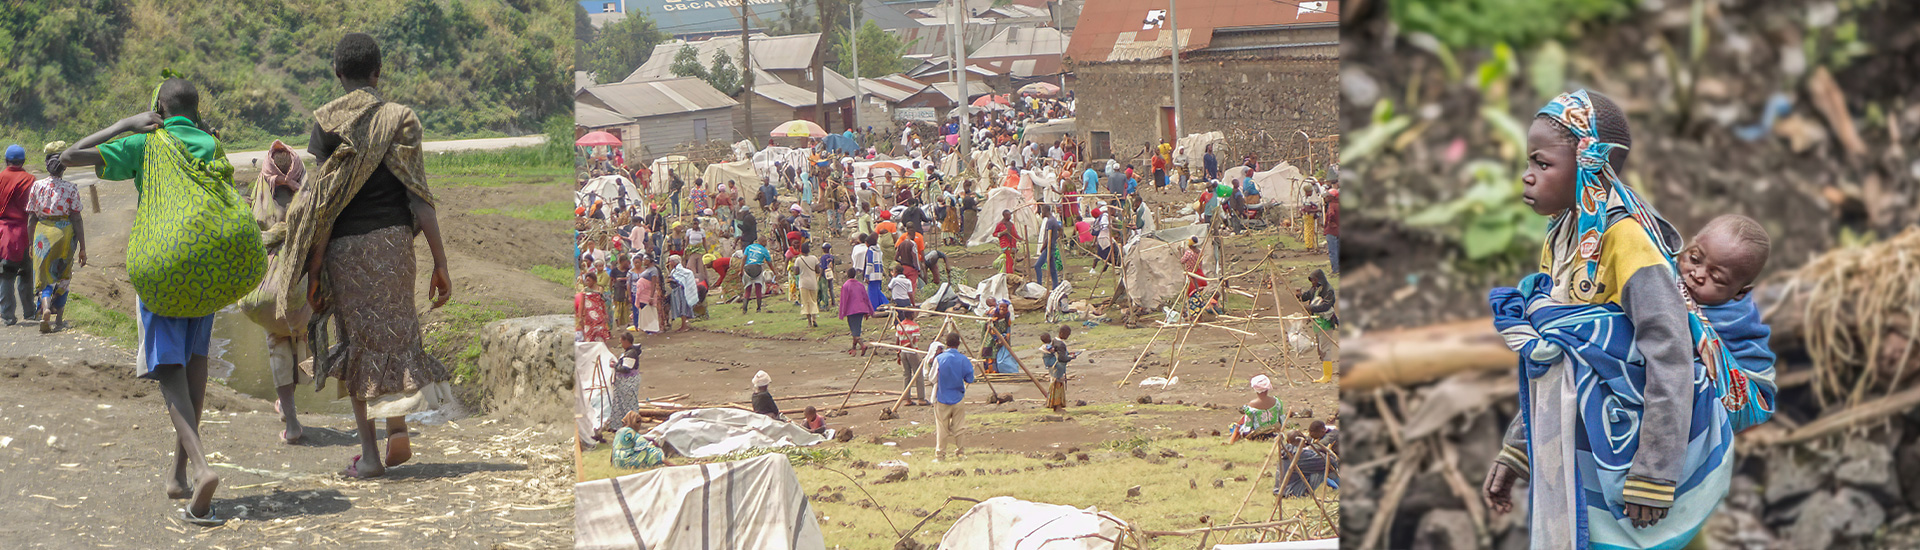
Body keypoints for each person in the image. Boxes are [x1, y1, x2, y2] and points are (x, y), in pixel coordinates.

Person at [1482, 90, 1774, 549]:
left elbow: (1671, 353)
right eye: (1529, 162)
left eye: (1542, 163)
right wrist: (1518, 450)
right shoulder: (1564, 235)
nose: (1527, 174)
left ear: (1587, 163)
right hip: (1587, 453)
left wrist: (1655, 473)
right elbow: (1557, 357)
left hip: (1637, 457)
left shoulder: (1625, 239)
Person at [61, 77, 270, 525]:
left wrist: (125, 124)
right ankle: (177, 476)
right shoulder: (210, 142)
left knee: (167, 368)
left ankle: (200, 467)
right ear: (194, 110)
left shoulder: (145, 142)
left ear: (156, 107)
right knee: (195, 362)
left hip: (167, 261)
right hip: (214, 261)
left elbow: (70, 156)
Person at [240, 142, 308, 443]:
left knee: (277, 342)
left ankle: (291, 421)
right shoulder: (307, 194)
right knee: (298, 339)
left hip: (265, 291)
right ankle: (290, 402)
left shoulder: (260, 193)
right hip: (300, 291)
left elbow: (245, 233)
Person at [27, 145, 85, 332]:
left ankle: (44, 308)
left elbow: (31, 218)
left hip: (42, 233)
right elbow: (76, 217)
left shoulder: (37, 185)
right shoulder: (71, 188)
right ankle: (59, 319)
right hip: (65, 234)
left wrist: (30, 242)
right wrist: (83, 246)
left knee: (43, 275)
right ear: (64, 168)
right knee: (63, 274)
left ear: (47, 165)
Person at [0, 144, 35, 325]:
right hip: (25, 232)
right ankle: (30, 312)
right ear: (23, 161)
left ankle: (7, 316)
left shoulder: (0, 177)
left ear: (6, 160)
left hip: (4, 233)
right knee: (26, 273)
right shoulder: (30, 179)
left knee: (6, 275)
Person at [932, 332, 974, 462]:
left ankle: (940, 456)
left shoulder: (939, 359)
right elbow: (970, 378)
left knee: (942, 428)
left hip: (942, 397)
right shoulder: (963, 359)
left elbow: (932, 378)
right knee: (959, 427)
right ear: (959, 344)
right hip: (958, 396)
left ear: (946, 344)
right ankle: (961, 453)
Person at [1275, 421, 1339, 497]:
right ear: (1303, 442)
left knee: (1319, 464)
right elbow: (1331, 461)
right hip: (1293, 492)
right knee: (1323, 466)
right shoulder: (1303, 454)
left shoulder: (1285, 451)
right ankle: (1339, 485)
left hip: (1279, 490)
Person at [1301, 269, 1337, 383]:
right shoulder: (1315, 289)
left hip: (1326, 322)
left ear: (1319, 279)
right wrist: (1299, 295)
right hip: (1317, 322)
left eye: (1314, 280)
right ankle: (1325, 374)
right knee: (1320, 349)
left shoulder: (1328, 290)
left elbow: (1326, 306)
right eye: (1312, 281)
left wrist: (1311, 308)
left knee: (1325, 349)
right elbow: (1306, 296)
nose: (1313, 283)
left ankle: (1327, 376)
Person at [1227, 375, 1284, 443]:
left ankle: (1231, 442)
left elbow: (1248, 425)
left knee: (1236, 426)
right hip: (1274, 433)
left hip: (1257, 434)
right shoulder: (1277, 402)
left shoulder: (1252, 405)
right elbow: (1282, 419)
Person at [838, 267, 876, 355]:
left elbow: (844, 300)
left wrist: (842, 313)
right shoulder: (860, 285)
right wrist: (869, 311)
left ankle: (863, 345)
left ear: (847, 275)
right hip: (861, 309)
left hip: (852, 310)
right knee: (856, 329)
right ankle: (854, 348)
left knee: (855, 331)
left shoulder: (846, 285)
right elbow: (866, 298)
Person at [1041, 326, 1078, 412]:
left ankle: (1053, 404)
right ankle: (1057, 406)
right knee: (1058, 386)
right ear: (1061, 333)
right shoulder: (1061, 344)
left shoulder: (1054, 341)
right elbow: (1061, 358)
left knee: (1054, 384)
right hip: (1059, 367)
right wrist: (1071, 358)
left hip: (1053, 367)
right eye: (1067, 334)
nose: (1068, 336)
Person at [894, 310, 926, 405]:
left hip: (903, 352)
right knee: (918, 375)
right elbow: (913, 341)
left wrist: (898, 352)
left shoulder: (899, 325)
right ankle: (921, 399)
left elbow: (898, 340)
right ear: (912, 314)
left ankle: (907, 399)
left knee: (906, 375)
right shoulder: (915, 326)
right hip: (912, 352)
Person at [665, 255, 698, 332]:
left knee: (683, 307)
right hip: (676, 291)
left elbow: (682, 281)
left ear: (673, 262)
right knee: (679, 307)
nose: (669, 263)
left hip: (682, 292)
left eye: (670, 261)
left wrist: (673, 280)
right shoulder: (674, 271)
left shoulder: (684, 272)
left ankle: (685, 325)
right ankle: (684, 325)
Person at [1033, 205, 1063, 289]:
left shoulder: (1050, 221)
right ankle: (1055, 286)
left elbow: (1048, 237)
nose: (1041, 213)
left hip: (1048, 247)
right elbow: (1060, 230)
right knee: (1052, 268)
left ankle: (1039, 286)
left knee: (1037, 266)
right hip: (1052, 246)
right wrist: (1056, 238)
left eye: (1042, 211)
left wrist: (1043, 247)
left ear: (1045, 211)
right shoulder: (1053, 219)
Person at [575, 273, 611, 342]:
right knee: (590, 335)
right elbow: (581, 304)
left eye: (589, 280)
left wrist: (605, 314)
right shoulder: (584, 290)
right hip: (588, 317)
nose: (587, 282)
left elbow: (602, 301)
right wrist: (580, 317)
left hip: (599, 315)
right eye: (586, 280)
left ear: (594, 281)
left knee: (600, 332)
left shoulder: (599, 289)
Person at [741, 236, 773, 313]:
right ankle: (758, 308)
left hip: (747, 268)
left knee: (747, 289)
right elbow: (769, 263)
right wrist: (774, 272)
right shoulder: (764, 250)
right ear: (762, 242)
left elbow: (744, 258)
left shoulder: (749, 247)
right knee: (758, 288)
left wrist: (741, 269)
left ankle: (744, 308)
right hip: (757, 269)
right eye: (765, 242)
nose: (766, 244)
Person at [993, 210, 1021, 274]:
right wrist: (1002, 233)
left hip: (1012, 245)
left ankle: (1010, 272)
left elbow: (1015, 234)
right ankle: (1009, 274)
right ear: (1004, 216)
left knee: (1011, 259)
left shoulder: (1011, 224)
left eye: (1010, 215)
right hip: (1005, 245)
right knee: (1009, 259)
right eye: (1008, 215)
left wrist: (1021, 239)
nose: (1010, 216)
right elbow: (995, 234)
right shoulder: (1000, 224)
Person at [1324, 168, 1340, 274]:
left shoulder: (1331, 206)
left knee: (1333, 251)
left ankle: (1335, 269)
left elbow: (1330, 216)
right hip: (1338, 230)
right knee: (1338, 250)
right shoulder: (1339, 205)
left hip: (1332, 231)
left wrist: (1329, 224)